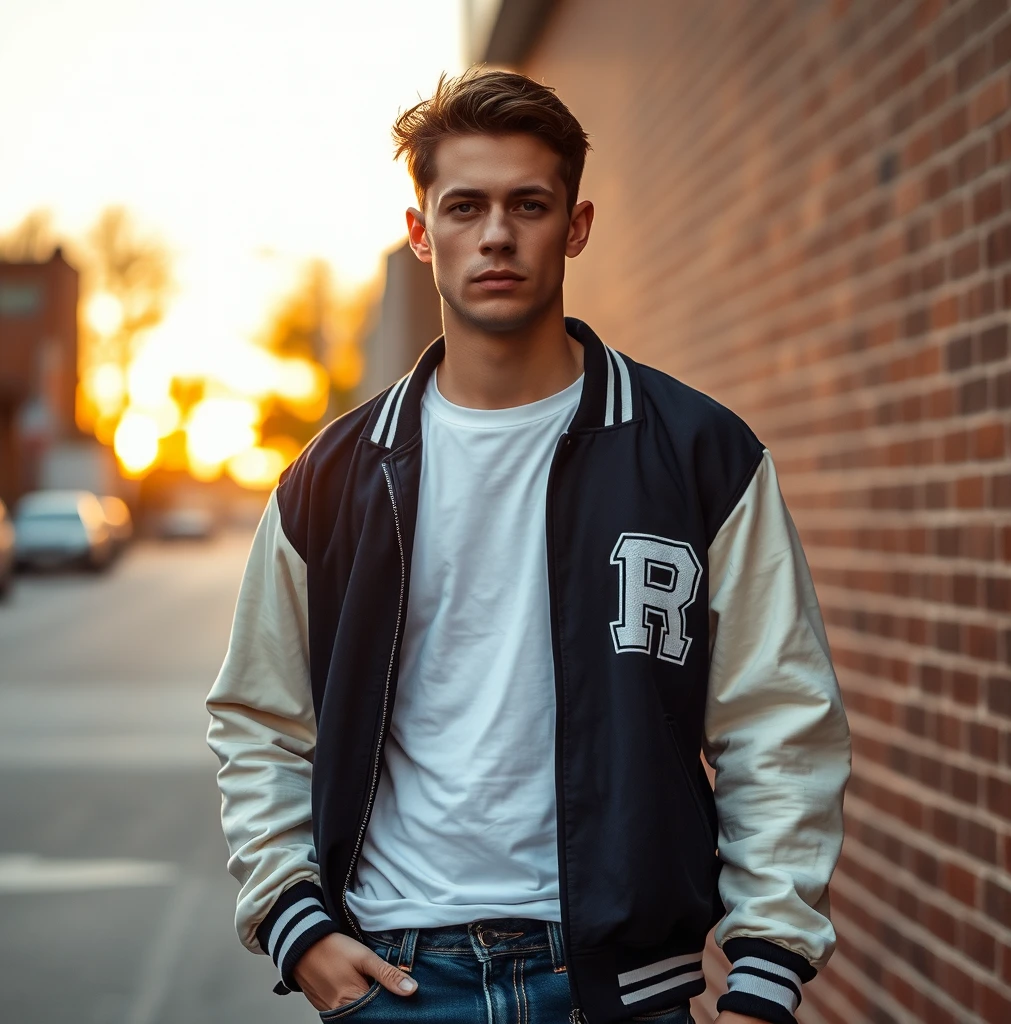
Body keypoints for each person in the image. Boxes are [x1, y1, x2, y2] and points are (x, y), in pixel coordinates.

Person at [207, 67, 852, 1024]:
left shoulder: (698, 454)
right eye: (464, 206)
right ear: (422, 232)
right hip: (396, 977)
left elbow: (777, 718)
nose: (497, 234)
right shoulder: (337, 475)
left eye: (529, 204)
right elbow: (260, 719)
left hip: (623, 987)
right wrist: (296, 924)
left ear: (577, 226)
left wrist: (767, 967)